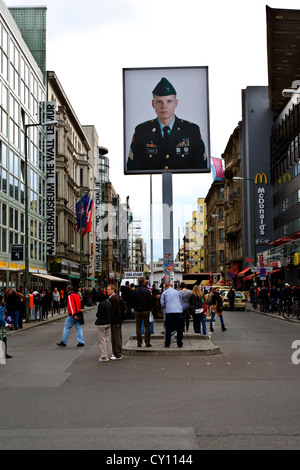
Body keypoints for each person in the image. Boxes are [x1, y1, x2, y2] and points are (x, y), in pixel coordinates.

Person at [126, 77, 207, 172]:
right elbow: (132, 168)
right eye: (159, 102)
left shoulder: (192, 131)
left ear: (175, 103)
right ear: (153, 104)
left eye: (169, 101)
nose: (164, 106)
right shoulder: (141, 131)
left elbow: (201, 167)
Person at [131, 276, 153, 348]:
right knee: (146, 326)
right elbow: (150, 301)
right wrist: (149, 308)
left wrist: (135, 308)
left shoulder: (135, 290)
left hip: (137, 311)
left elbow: (132, 301)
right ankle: (147, 343)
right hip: (146, 310)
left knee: (138, 327)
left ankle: (139, 343)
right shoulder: (147, 291)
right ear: (144, 282)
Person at [160, 281, 183, 348]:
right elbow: (181, 301)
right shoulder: (178, 292)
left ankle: (167, 344)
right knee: (180, 329)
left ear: (166, 287)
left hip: (169, 312)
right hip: (178, 312)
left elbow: (162, 304)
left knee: (168, 329)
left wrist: (166, 304)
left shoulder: (164, 293)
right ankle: (179, 344)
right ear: (172, 287)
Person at [106, 284, 122, 360]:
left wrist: (109, 320)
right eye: (107, 289)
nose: (107, 291)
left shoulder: (113, 299)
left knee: (116, 337)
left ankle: (117, 354)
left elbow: (113, 311)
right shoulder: (115, 297)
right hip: (117, 320)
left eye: (108, 289)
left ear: (113, 290)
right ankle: (117, 353)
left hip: (115, 321)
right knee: (117, 336)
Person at [95, 297, 112, 362]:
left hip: (101, 323)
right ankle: (106, 353)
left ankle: (103, 356)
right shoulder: (109, 303)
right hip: (108, 322)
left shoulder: (101, 304)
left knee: (101, 339)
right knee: (106, 339)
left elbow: (98, 314)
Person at [0, 293, 12, 359]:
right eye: (3, 299)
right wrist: (7, 324)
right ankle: (4, 354)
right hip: (1, 326)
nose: (3, 300)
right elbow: (0, 318)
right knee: (3, 339)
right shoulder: (0, 307)